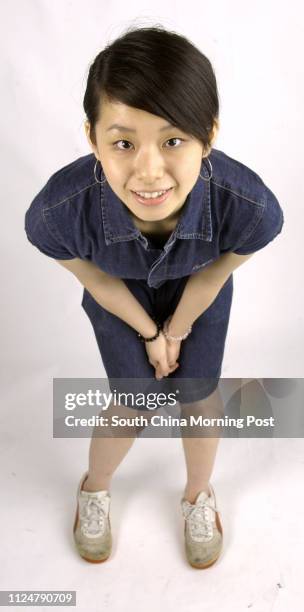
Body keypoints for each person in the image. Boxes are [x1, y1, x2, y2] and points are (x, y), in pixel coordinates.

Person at [24, 25, 284, 569]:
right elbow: (96, 281)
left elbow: (214, 276)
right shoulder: (56, 213)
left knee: (199, 396)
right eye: (122, 142)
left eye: (173, 140)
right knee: (134, 398)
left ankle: (197, 496)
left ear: (207, 136)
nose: (147, 170)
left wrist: (178, 330)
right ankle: (94, 487)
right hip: (120, 295)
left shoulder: (251, 206)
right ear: (92, 136)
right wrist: (148, 333)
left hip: (199, 291)